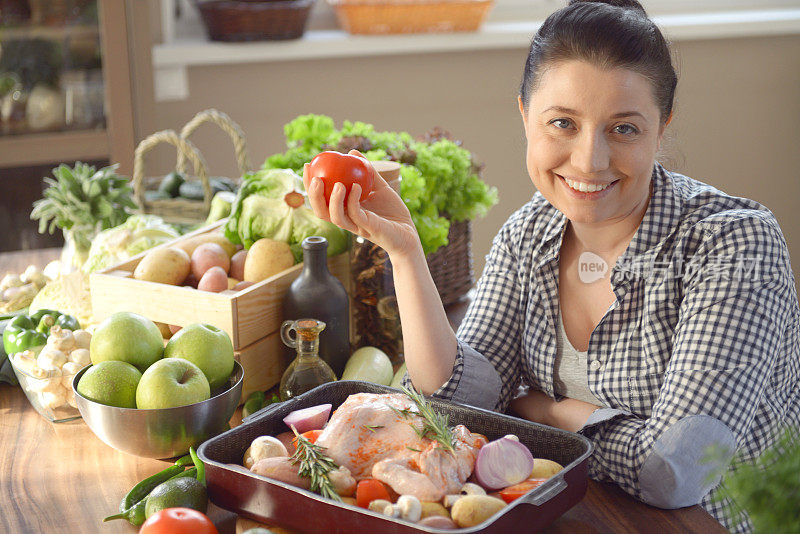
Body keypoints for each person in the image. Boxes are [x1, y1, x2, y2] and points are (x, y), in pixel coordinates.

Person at [302, 1, 800, 531]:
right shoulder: (530, 233)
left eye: (624, 129)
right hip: (590, 510)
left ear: (662, 126)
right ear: (524, 115)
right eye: (563, 122)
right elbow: (460, 400)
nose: (590, 160)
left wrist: (548, 414)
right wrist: (405, 252)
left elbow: (672, 472)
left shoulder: (734, 243)